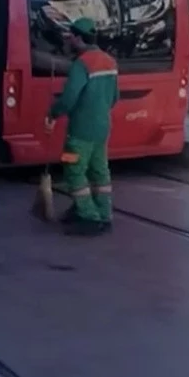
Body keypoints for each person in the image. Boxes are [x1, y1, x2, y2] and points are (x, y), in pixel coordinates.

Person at [45, 18, 119, 237]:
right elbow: (115, 97)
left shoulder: (82, 64)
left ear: (79, 38)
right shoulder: (110, 62)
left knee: (73, 169)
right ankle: (104, 214)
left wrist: (53, 112)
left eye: (71, 37)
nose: (69, 41)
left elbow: (69, 98)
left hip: (80, 131)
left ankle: (88, 216)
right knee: (99, 171)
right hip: (102, 129)